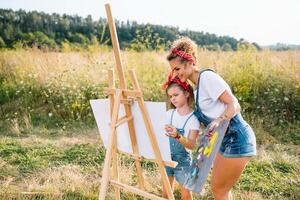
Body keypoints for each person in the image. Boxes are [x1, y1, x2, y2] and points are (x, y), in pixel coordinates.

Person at [166, 37, 257, 200]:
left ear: (190, 62)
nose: (175, 73)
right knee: (221, 189)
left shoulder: (207, 78)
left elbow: (234, 104)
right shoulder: (197, 87)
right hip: (223, 140)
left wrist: (219, 120)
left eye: (177, 68)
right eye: (173, 70)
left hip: (237, 138)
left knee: (218, 188)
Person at [162, 74, 200, 200]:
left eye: (176, 95)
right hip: (167, 158)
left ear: (187, 94)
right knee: (166, 194)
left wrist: (177, 136)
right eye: (170, 96)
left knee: (186, 196)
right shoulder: (169, 114)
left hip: (183, 162)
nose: (172, 99)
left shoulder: (193, 119)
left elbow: (191, 144)